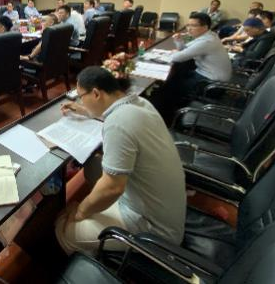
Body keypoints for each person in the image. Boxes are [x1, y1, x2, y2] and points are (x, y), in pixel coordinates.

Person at [55, 67, 186, 255]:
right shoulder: (139, 103)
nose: (80, 101)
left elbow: (112, 188)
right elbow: (115, 115)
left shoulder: (117, 123)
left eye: (81, 96)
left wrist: (81, 212)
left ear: (96, 93)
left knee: (63, 227)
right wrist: (85, 110)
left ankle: (97, 262)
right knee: (93, 166)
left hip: (154, 229)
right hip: (161, 208)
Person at [168, 12, 232, 100]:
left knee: (170, 84)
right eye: (188, 25)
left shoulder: (207, 41)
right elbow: (184, 50)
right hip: (210, 77)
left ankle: (172, 105)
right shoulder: (210, 35)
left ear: (205, 27)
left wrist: (174, 53)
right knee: (179, 74)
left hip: (212, 84)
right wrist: (178, 40)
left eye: (193, 26)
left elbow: (177, 58)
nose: (189, 29)